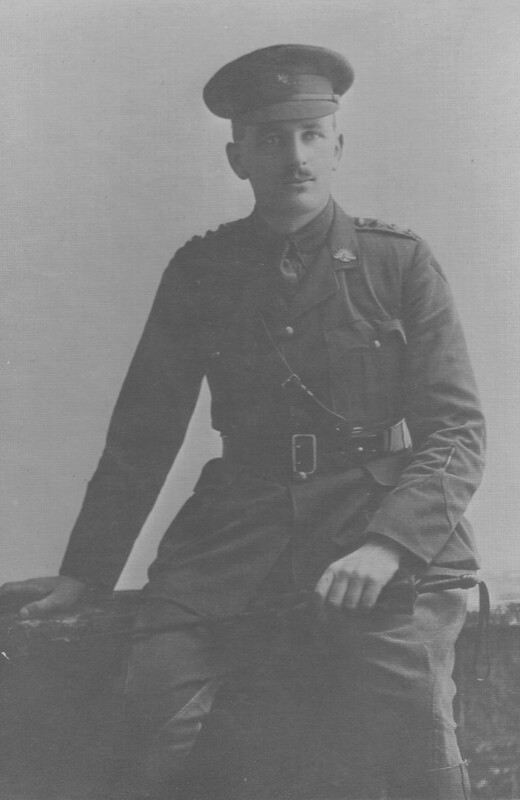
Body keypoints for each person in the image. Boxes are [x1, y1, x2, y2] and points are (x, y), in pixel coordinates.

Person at [0, 44, 485, 799]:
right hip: (237, 531)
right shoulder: (202, 271)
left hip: (375, 522)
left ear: (338, 146)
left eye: (311, 135)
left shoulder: (399, 263)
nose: (295, 157)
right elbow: (143, 432)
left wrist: (388, 546)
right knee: (153, 708)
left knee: (414, 721)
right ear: (238, 158)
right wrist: (85, 573)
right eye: (270, 139)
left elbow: (457, 430)